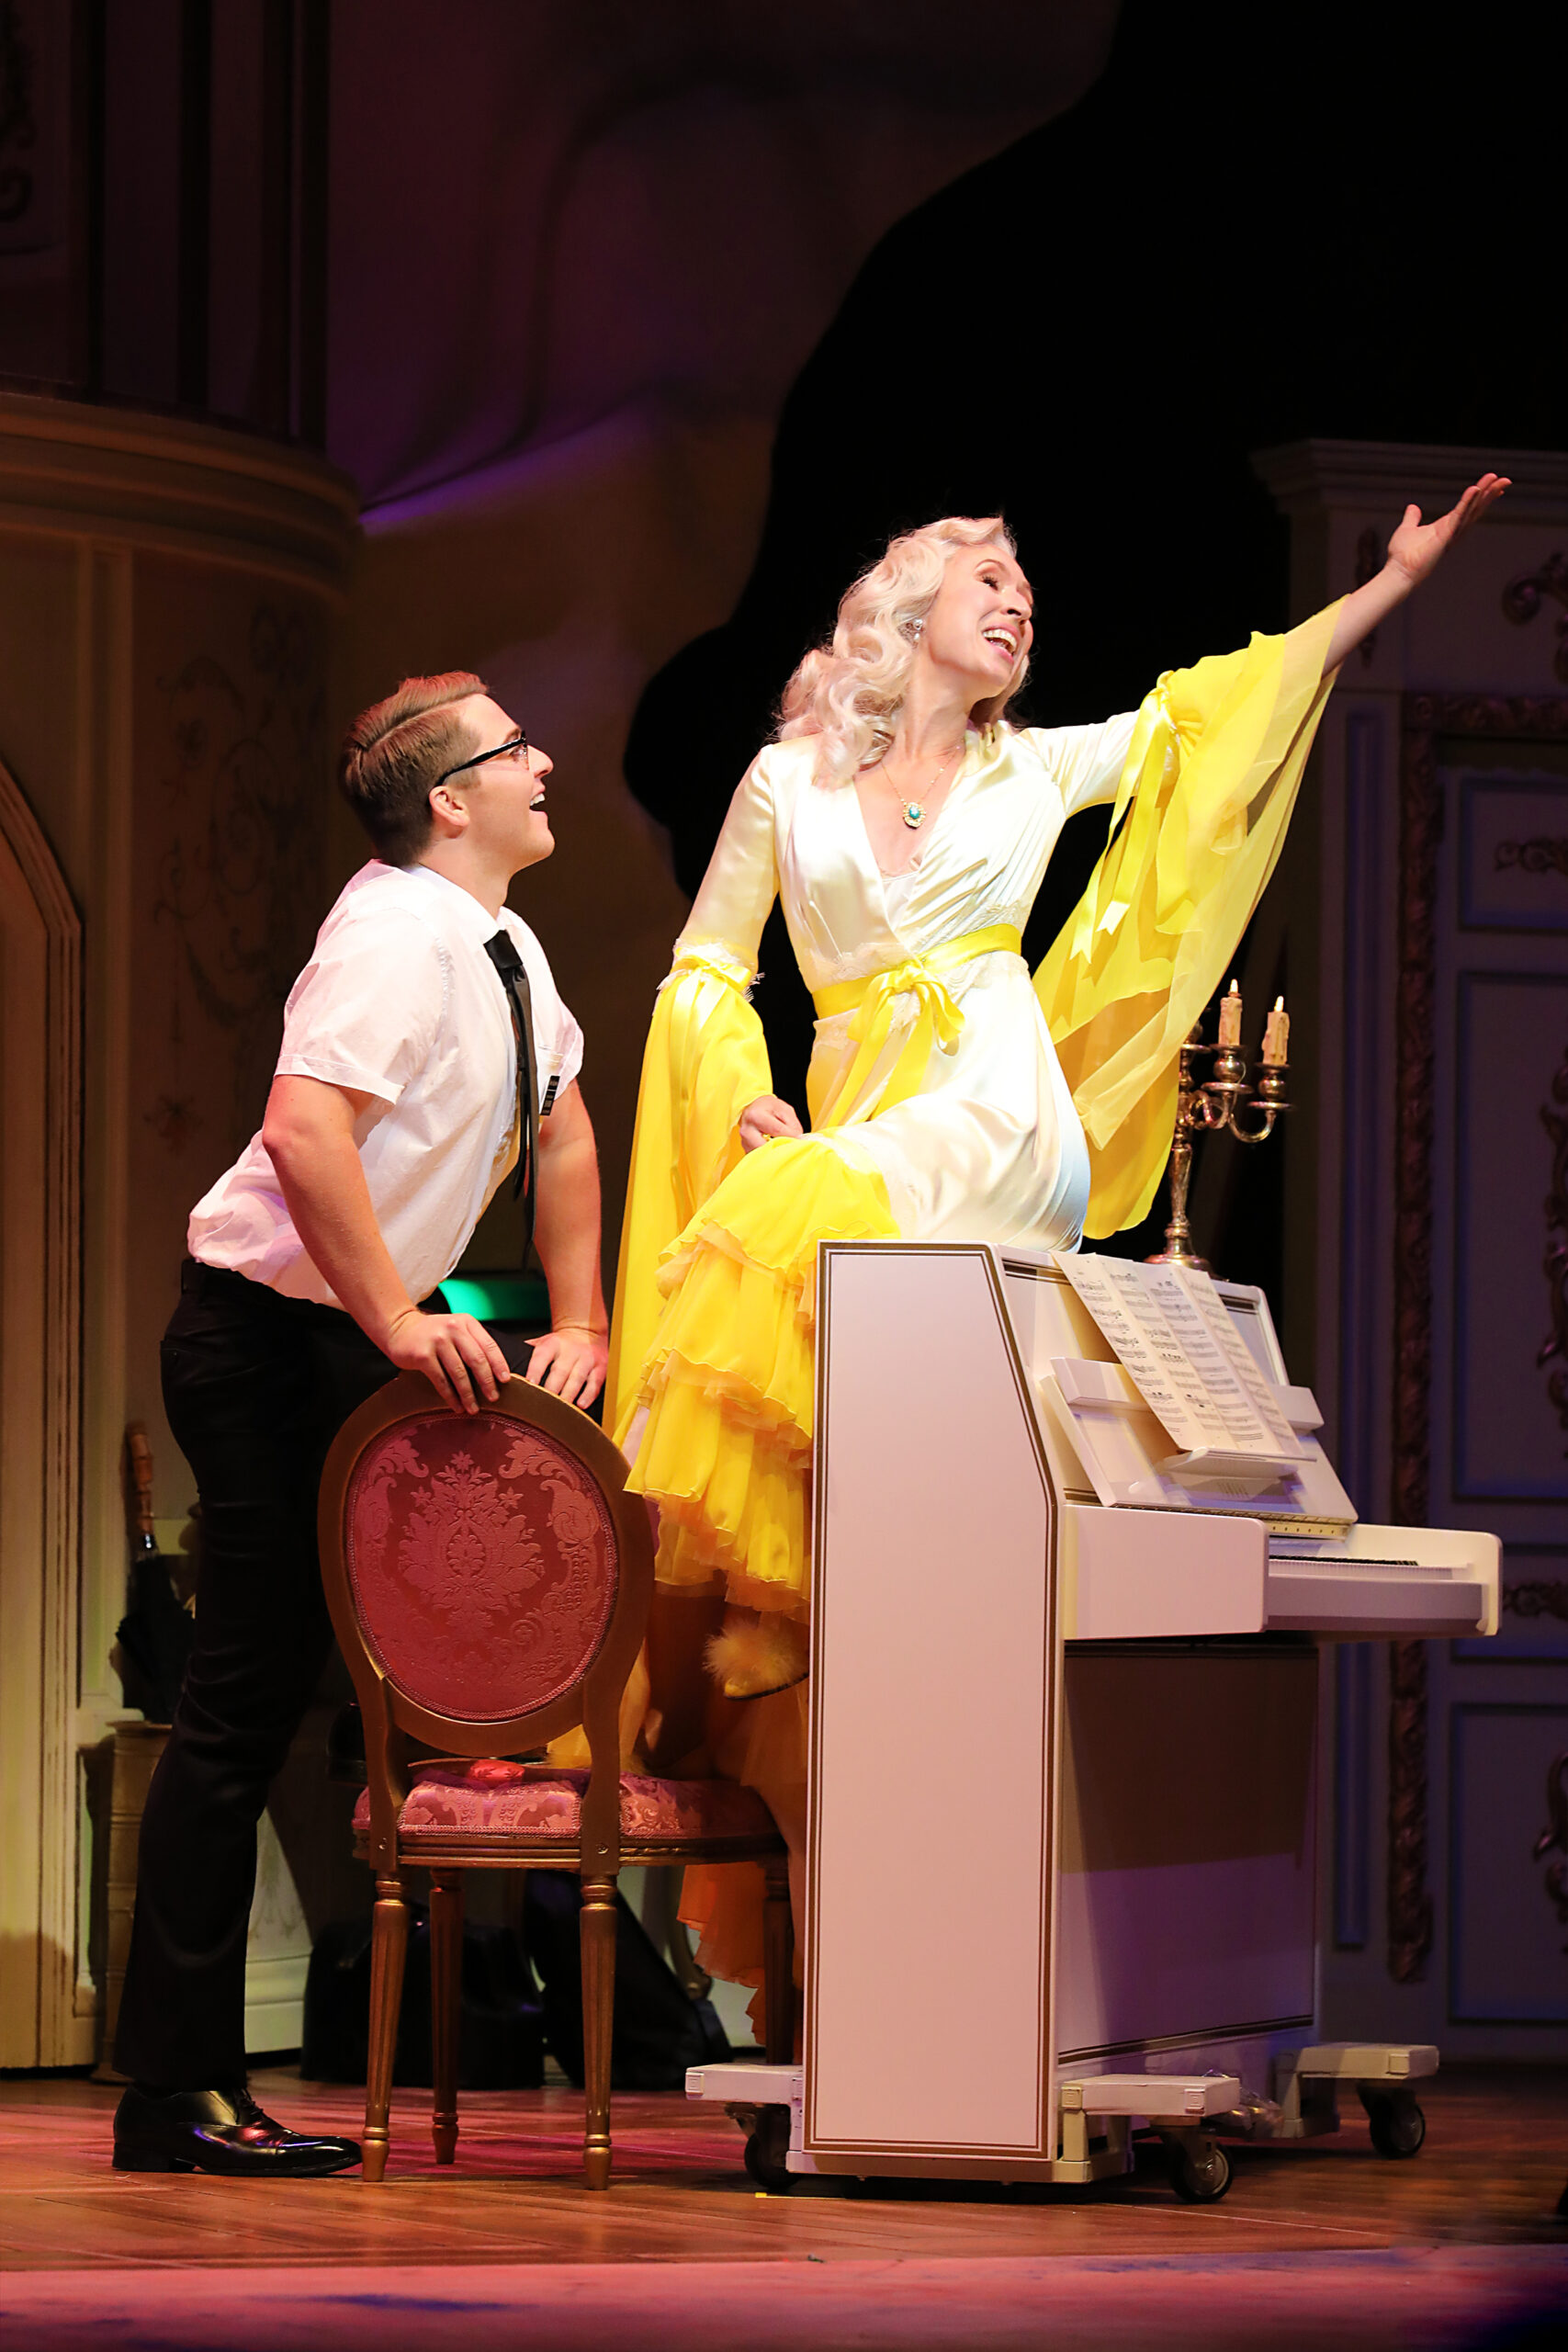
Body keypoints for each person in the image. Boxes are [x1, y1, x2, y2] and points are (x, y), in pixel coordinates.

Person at [609, 478, 1506, 2002]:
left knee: (801, 1213)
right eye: (990, 583)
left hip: (995, 1115)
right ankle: (830, 1710)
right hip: (850, 1116)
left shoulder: (1042, 771)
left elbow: (1222, 713)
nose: (1020, 608)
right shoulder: (788, 783)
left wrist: (1385, 592)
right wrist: (746, 1096)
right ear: (906, 616)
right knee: (798, 1231)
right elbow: (707, 960)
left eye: (1030, 595)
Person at [112, 673, 608, 2177]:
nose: (543, 765)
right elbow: (302, 1126)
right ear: (451, 799)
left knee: (317, 1702)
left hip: (333, 1341)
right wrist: (401, 1317)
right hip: (269, 1340)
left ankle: (211, 2076)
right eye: (515, 750)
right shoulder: (393, 929)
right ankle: (172, 2090)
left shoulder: (503, 944)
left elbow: (566, 1126)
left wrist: (577, 1319)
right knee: (241, 1708)